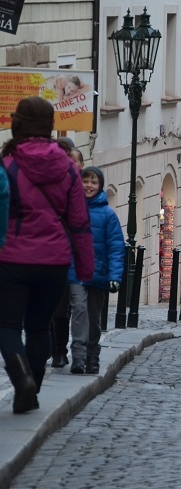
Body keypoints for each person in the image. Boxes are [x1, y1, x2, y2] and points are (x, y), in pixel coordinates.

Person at [0, 97, 94, 414]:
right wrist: (85, 267)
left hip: (12, 260)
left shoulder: (8, 164)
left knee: (7, 327)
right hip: (54, 261)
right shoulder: (67, 167)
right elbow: (79, 222)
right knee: (40, 328)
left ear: (19, 124)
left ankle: (21, 379)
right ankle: (33, 389)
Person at [67, 166, 124, 374]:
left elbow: (116, 248)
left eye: (93, 182)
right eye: (85, 181)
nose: (89, 185)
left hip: (98, 273)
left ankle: (93, 356)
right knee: (79, 310)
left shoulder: (108, 215)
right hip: (74, 272)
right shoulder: (70, 209)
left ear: (99, 186)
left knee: (94, 316)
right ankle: (78, 358)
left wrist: (115, 276)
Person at [49, 141, 84, 368]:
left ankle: (80, 354)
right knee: (57, 310)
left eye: (74, 161)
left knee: (80, 309)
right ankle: (58, 351)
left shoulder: (89, 188)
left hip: (79, 262)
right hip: (56, 258)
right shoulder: (54, 187)